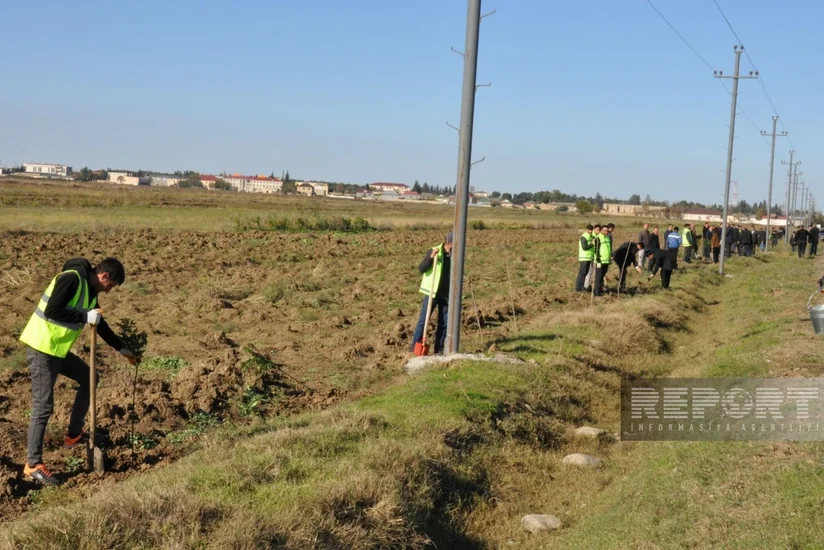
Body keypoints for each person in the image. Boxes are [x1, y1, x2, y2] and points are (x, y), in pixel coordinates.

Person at [18, 257, 134, 486]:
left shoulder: (90, 291)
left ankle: (73, 435)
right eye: (110, 286)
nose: (108, 291)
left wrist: (121, 347)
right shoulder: (71, 279)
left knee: (90, 377)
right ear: (104, 276)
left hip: (57, 350)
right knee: (43, 407)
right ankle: (32, 465)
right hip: (42, 348)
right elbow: (53, 310)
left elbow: (98, 323)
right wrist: (84, 317)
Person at [411, 232, 453, 356]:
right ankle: (415, 348)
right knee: (423, 320)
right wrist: (430, 257)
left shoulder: (456, 255)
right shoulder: (434, 250)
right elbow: (421, 268)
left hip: (446, 294)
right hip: (432, 293)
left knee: (444, 323)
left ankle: (438, 350)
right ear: (448, 243)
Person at [575, 224, 596, 292]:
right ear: (586, 229)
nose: (590, 231)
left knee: (585, 272)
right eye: (589, 230)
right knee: (582, 272)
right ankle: (578, 287)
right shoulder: (584, 237)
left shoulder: (590, 236)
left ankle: (582, 287)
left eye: (591, 230)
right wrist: (592, 244)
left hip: (589, 257)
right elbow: (584, 247)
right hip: (584, 258)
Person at [593, 224, 612, 296]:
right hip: (600, 261)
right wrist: (598, 261)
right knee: (598, 277)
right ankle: (596, 292)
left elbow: (609, 249)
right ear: (601, 230)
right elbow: (596, 250)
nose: (606, 232)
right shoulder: (598, 238)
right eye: (604, 231)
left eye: (607, 231)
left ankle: (600, 290)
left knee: (602, 276)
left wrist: (610, 257)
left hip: (606, 261)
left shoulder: (607, 238)